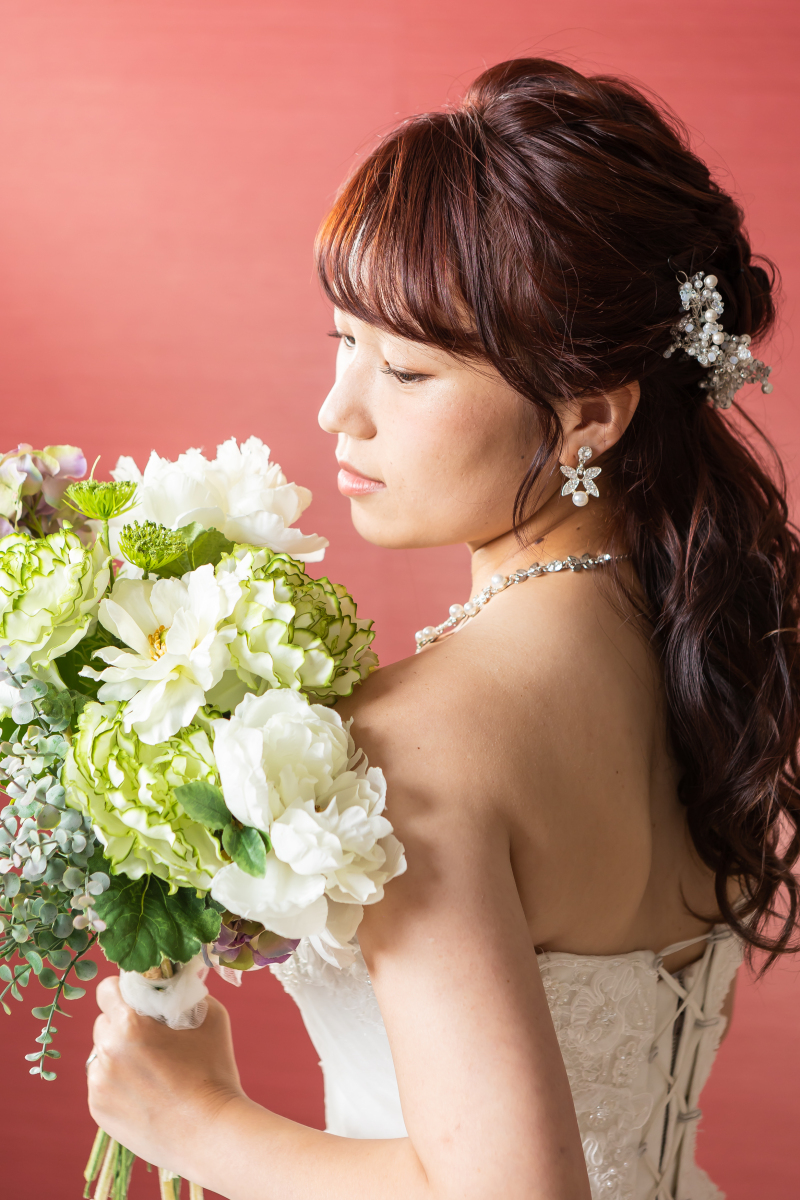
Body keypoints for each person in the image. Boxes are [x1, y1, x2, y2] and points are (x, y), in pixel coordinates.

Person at [87, 58, 800, 1200]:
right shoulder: (697, 636)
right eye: (342, 339)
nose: (339, 409)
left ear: (586, 414)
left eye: (406, 369)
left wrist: (195, 1121)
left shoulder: (420, 741)